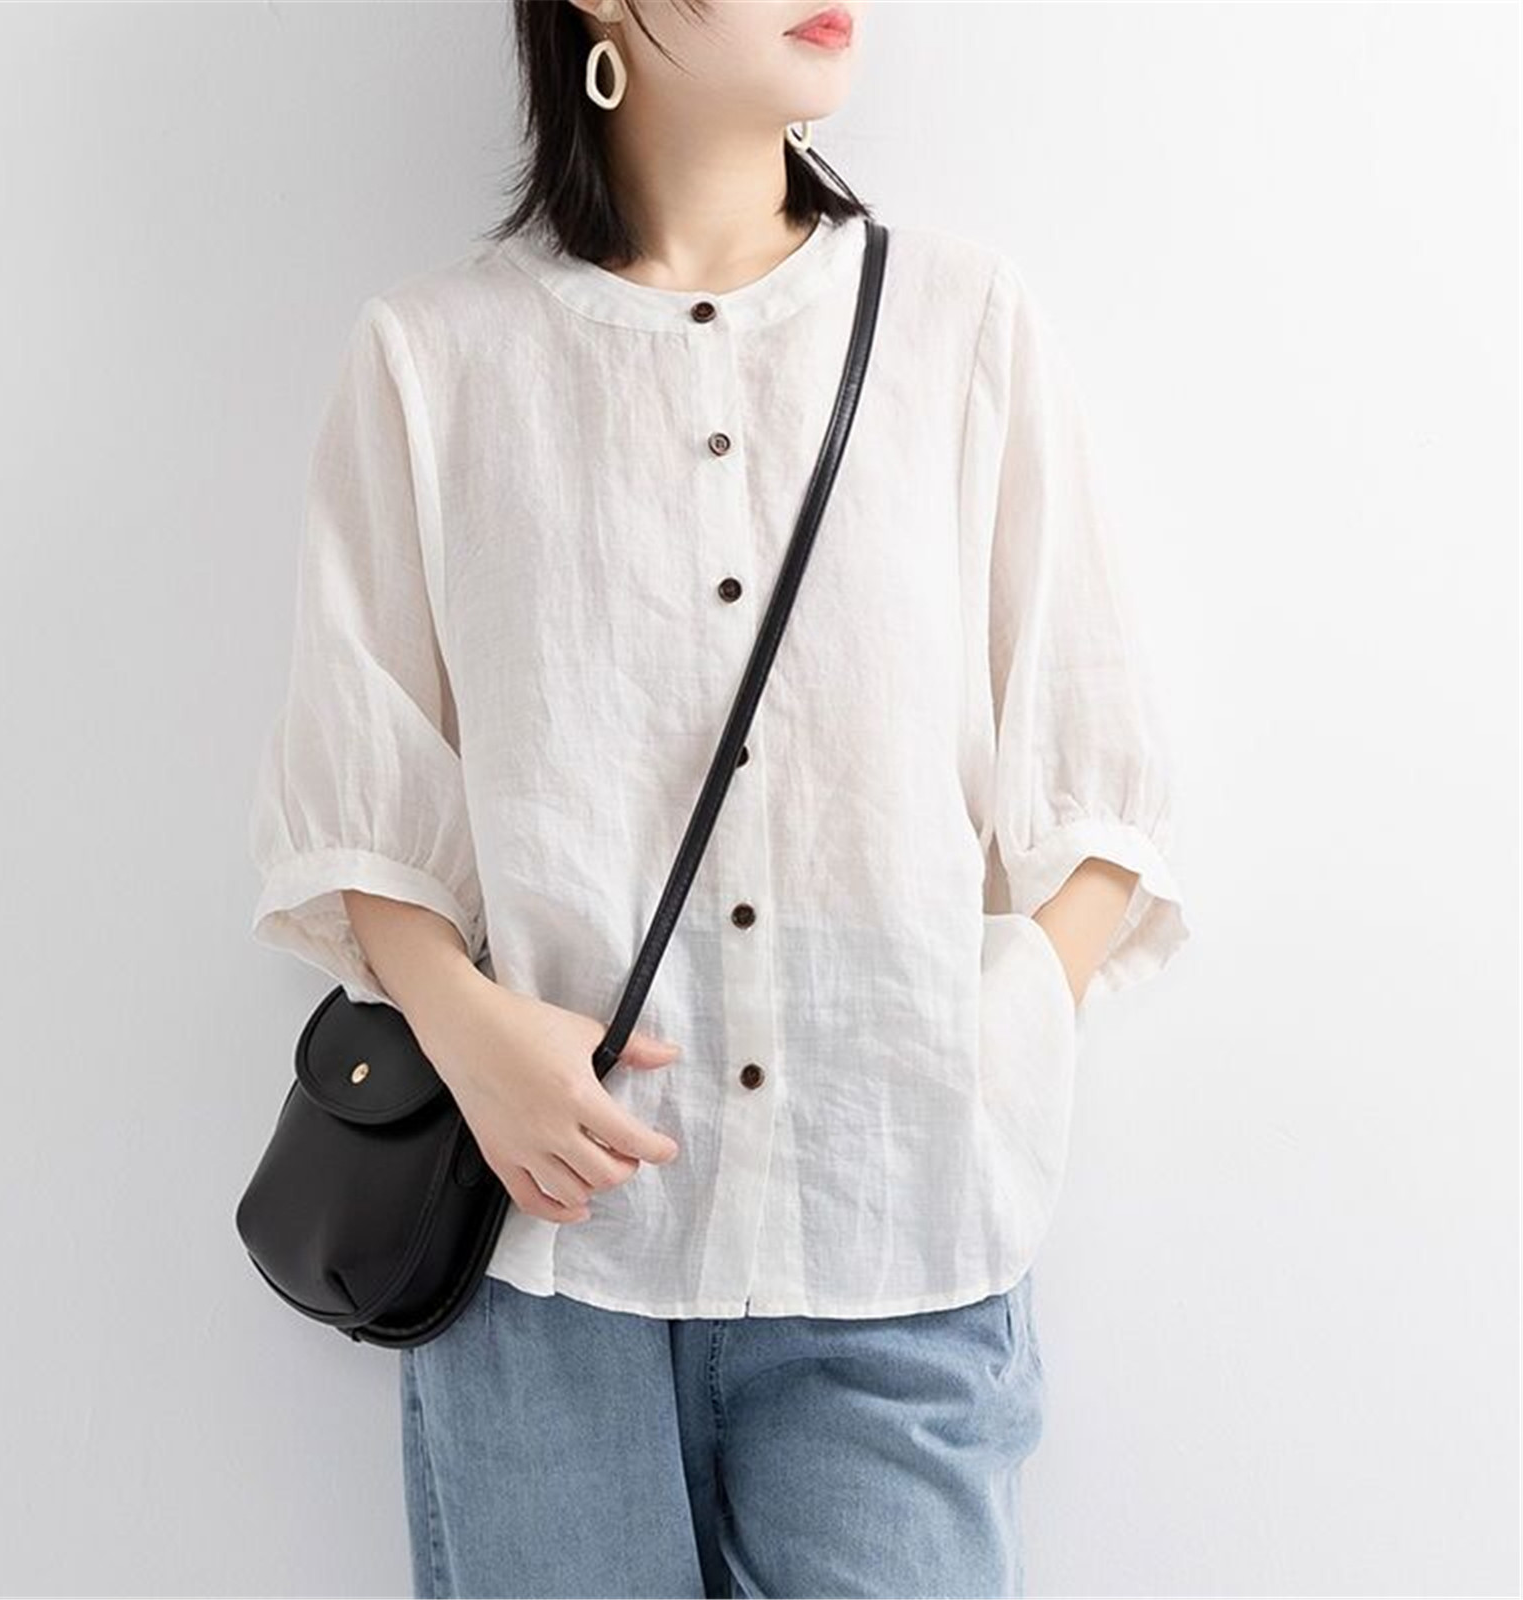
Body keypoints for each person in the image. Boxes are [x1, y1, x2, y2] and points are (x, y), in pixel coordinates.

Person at [246, 2, 1190, 1595]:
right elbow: (361, 798)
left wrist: (1001, 1031)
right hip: (549, 1277)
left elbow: (1101, 773)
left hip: (896, 1252)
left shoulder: (960, 325)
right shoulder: (438, 360)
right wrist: (470, 1037)